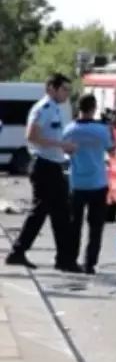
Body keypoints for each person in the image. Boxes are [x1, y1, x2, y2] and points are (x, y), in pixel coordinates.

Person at [5, 74, 77, 271]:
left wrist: (63, 148)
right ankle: (18, 251)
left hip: (54, 165)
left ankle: (64, 259)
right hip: (44, 166)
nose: (66, 94)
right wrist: (61, 144)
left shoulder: (56, 109)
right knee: (39, 212)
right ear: (52, 89)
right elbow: (32, 136)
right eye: (64, 89)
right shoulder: (43, 108)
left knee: (61, 213)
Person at [63, 94, 115, 274]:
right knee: (96, 227)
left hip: (77, 183)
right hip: (98, 183)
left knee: (74, 225)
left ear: (79, 108)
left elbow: (66, 152)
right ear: (94, 108)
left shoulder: (69, 129)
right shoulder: (101, 130)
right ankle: (89, 263)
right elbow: (113, 151)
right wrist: (111, 130)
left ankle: (71, 260)